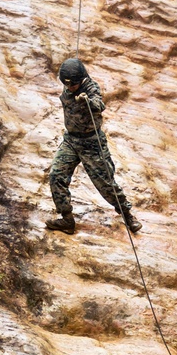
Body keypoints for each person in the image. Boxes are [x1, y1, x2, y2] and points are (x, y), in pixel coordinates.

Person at [46, 57, 142, 236]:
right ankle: (66, 219)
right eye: (67, 85)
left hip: (91, 143)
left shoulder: (90, 88)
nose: (70, 88)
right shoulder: (68, 84)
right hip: (71, 141)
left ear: (81, 79)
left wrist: (87, 101)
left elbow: (100, 104)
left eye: (73, 84)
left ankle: (127, 214)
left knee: (106, 183)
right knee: (56, 175)